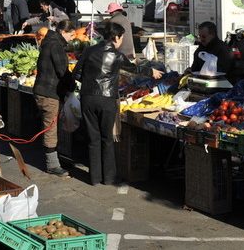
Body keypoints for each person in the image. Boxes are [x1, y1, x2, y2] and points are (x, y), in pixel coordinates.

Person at [73, 23, 162, 185]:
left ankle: (94, 178)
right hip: (107, 99)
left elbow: (77, 73)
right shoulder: (117, 55)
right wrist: (151, 72)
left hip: (88, 98)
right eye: (121, 37)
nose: (121, 41)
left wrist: (89, 83)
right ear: (115, 37)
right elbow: (133, 68)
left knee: (93, 139)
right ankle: (108, 178)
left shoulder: (89, 51)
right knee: (107, 138)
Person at [33, 20, 76, 177]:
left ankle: (56, 158)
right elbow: (62, 71)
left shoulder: (49, 41)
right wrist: (72, 85)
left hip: (43, 89)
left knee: (51, 126)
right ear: (64, 32)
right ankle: (52, 165)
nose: (72, 38)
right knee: (50, 128)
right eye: (71, 35)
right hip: (49, 92)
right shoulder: (56, 45)